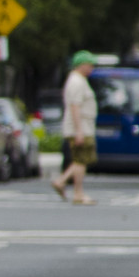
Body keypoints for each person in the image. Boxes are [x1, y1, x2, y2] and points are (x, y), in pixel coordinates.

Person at [51, 50, 99, 205]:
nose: (91, 68)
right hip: (80, 127)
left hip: (83, 127)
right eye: (89, 65)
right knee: (80, 160)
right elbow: (75, 107)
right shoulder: (77, 82)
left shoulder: (78, 80)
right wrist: (79, 131)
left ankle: (62, 181)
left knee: (81, 160)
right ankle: (77, 193)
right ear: (81, 65)